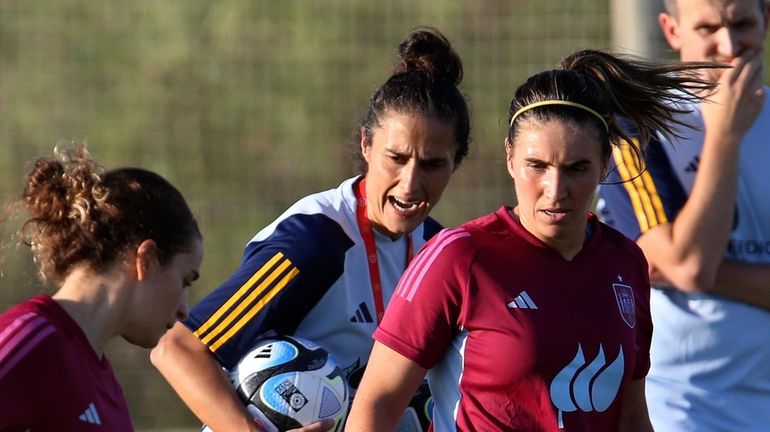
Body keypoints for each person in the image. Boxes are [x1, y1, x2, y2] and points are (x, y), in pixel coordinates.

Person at [346, 49, 717, 432]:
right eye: (537, 166)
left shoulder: (625, 262)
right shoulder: (459, 256)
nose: (555, 190)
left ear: (606, 163)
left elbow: (632, 418)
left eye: (577, 168)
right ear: (509, 158)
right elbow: (377, 403)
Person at [150, 26, 470, 432]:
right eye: (396, 157)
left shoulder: (438, 253)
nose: (409, 182)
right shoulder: (316, 240)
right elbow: (178, 350)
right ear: (366, 145)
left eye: (432, 164)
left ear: (456, 163)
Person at [597, 0, 770, 430]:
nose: (729, 45)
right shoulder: (636, 124)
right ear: (671, 31)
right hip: (681, 404)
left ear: (767, 18)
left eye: (743, 23)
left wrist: (687, 266)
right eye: (708, 27)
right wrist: (725, 137)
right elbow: (689, 265)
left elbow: (682, 264)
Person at [0, 145, 203, 431]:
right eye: (184, 280)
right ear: (147, 259)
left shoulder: (107, 390)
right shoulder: (32, 338)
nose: (184, 309)